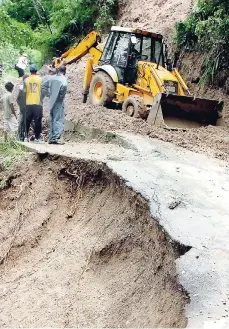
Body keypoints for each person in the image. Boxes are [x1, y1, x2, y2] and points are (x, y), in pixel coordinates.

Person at [42, 65, 67, 144]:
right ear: (64, 71)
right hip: (58, 101)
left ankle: (51, 138)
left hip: (51, 101)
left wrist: (49, 94)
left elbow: (43, 86)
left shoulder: (52, 78)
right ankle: (56, 138)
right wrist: (61, 97)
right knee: (58, 119)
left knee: (52, 119)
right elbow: (64, 87)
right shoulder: (63, 79)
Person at [24, 64, 43, 142]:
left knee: (27, 120)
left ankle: (25, 137)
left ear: (30, 71)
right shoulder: (40, 79)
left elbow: (25, 92)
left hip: (28, 103)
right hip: (37, 102)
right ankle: (37, 137)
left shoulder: (26, 80)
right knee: (37, 121)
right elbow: (42, 91)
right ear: (36, 71)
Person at [17, 74, 29, 141]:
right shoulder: (23, 88)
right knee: (23, 122)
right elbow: (17, 99)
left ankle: (23, 137)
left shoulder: (22, 88)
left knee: (23, 122)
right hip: (25, 108)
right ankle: (22, 137)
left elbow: (17, 99)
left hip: (24, 108)